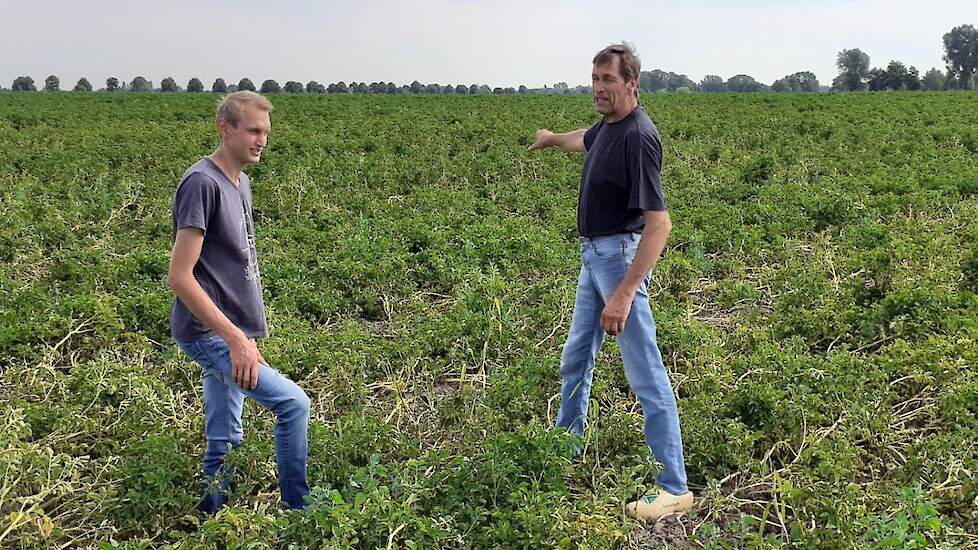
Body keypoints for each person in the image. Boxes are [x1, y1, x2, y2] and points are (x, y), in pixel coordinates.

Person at [528, 44, 693, 521]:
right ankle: (566, 446)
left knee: (645, 373)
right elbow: (586, 138)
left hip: (618, 259)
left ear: (631, 84)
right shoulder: (609, 128)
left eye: (609, 80)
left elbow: (658, 225)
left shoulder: (639, 138)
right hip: (594, 256)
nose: (599, 87)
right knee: (576, 356)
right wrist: (551, 137)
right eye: (595, 78)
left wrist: (622, 294)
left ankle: (673, 486)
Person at [166, 91, 311, 512]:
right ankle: (298, 511)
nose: (261, 140)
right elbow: (180, 277)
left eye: (265, 132)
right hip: (207, 332)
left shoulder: (241, 181)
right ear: (224, 128)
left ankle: (211, 518)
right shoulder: (202, 183)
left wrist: (244, 335)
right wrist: (235, 339)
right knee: (293, 404)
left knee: (225, 436)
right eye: (252, 130)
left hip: (229, 332)